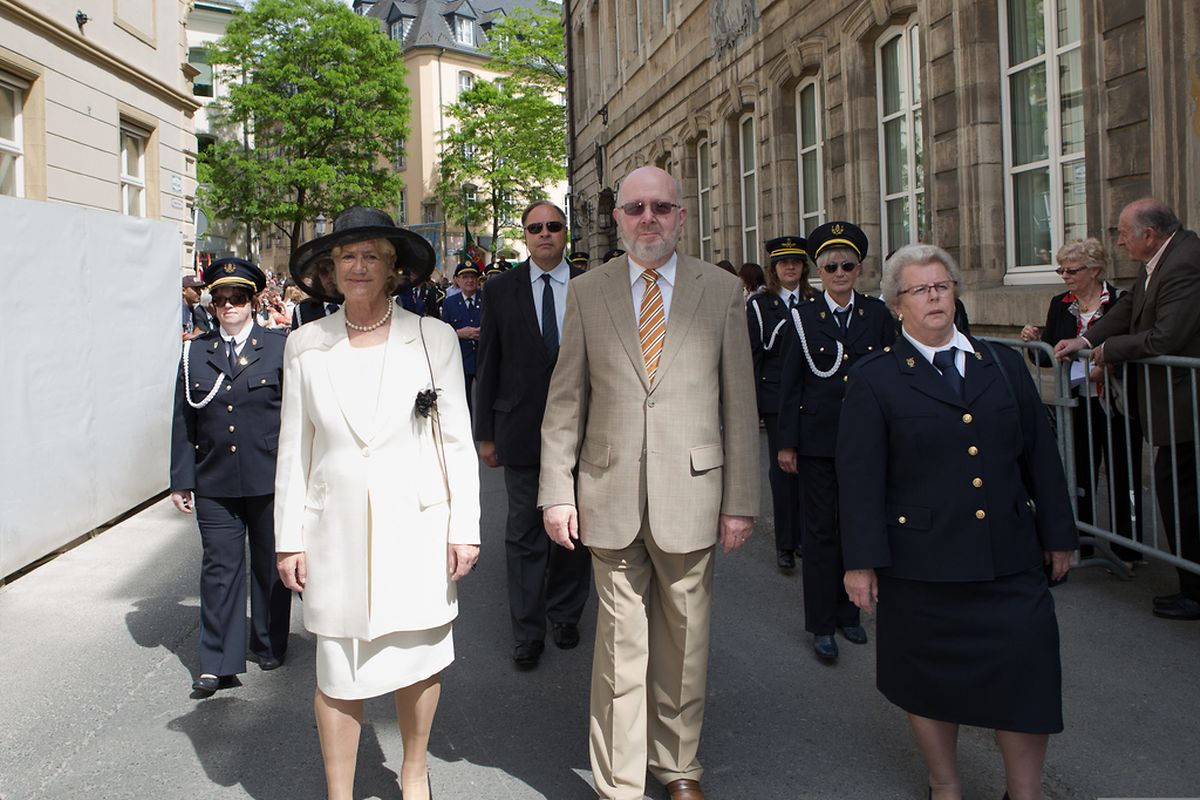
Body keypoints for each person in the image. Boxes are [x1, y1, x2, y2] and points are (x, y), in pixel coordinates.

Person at [540, 166, 759, 800]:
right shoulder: (589, 291)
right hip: (607, 495)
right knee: (619, 650)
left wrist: (741, 501)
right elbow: (565, 403)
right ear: (618, 219)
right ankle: (619, 781)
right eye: (635, 208)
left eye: (661, 207)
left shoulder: (720, 291)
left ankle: (679, 765)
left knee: (686, 646)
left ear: (682, 215)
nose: (648, 219)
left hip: (692, 494)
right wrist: (557, 491)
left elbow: (739, 407)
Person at [839, 243, 1076, 800]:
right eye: (920, 290)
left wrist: (1059, 535)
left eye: (941, 286)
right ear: (897, 304)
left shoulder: (1003, 364)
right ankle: (945, 784)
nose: (934, 297)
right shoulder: (876, 378)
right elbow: (861, 479)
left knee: (1027, 679)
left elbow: (1040, 456)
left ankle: (1025, 791)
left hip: (1009, 558)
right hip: (923, 566)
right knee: (930, 683)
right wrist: (860, 564)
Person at [275, 207, 481, 800]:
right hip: (331, 531)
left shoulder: (431, 336)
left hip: (417, 525)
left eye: (372, 255)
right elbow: (295, 446)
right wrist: (288, 537)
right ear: (331, 270)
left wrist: (463, 527)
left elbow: (454, 440)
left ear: (393, 269)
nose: (359, 266)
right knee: (338, 666)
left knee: (417, 656)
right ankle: (340, 791)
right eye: (347, 256)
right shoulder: (304, 344)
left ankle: (413, 773)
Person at [1055, 198, 1200, 620]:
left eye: (1122, 233)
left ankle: (1194, 588)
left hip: (1186, 403)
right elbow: (1130, 308)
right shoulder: (1162, 257)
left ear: (1148, 235)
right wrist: (1085, 341)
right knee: (1177, 492)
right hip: (1175, 404)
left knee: (1180, 494)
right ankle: (1190, 583)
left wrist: (1105, 350)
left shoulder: (1185, 263)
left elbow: (1166, 338)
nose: (1118, 242)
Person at [474, 200, 592, 669]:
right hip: (519, 430)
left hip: (582, 432)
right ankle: (527, 630)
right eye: (535, 228)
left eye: (554, 227)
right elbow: (489, 362)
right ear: (524, 236)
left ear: (566, 234)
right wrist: (486, 433)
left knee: (572, 531)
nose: (545, 234)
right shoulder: (501, 289)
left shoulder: (590, 286)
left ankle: (565, 613)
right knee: (524, 532)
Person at [169, 257, 292, 696]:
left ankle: (269, 640)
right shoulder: (195, 353)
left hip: (269, 476)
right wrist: (181, 479)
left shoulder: (279, 348)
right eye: (220, 299)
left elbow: (297, 418)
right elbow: (184, 420)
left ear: (253, 301)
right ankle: (217, 662)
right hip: (215, 481)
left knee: (269, 567)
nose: (228, 306)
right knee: (219, 569)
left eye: (237, 298)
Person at [776, 221, 895, 662]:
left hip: (866, 442)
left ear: (859, 269)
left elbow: (891, 377)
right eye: (830, 266)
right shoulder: (803, 318)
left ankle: (851, 614)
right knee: (822, 532)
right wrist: (787, 443)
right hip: (819, 441)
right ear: (818, 273)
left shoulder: (878, 316)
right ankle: (822, 622)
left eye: (847, 265)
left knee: (857, 528)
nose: (839, 272)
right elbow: (790, 385)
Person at [1020, 238, 1143, 564]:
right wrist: (1036, 343)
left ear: (1094, 269)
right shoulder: (1061, 303)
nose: (1064, 275)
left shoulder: (1120, 301)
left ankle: (1128, 548)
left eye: (1071, 269)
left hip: (1115, 403)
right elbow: (1048, 359)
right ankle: (1083, 541)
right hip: (1075, 402)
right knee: (1080, 474)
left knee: (1122, 472)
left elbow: (1135, 347)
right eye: (1060, 268)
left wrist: (1110, 366)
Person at [747, 235, 812, 571]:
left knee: (810, 469)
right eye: (784, 262)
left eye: (796, 262)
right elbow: (754, 357)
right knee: (783, 471)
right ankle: (786, 543)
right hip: (775, 399)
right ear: (773, 268)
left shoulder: (815, 300)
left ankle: (805, 536)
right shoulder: (761, 306)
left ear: (804, 267)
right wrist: (753, 405)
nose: (790, 267)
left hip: (810, 399)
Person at [439, 262, 483, 414]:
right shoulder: (449, 303)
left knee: (486, 401)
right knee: (463, 403)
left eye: (473, 277)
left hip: (484, 358)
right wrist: (458, 333)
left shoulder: (488, 299)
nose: (469, 280)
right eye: (465, 277)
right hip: (462, 359)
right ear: (457, 280)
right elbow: (443, 332)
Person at [290, 262, 341, 329]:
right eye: (324, 271)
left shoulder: (355, 307)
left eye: (334, 270)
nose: (330, 276)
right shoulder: (302, 310)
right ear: (318, 275)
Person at [182, 275, 212, 340]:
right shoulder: (180, 310)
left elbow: (199, 329)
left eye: (200, 289)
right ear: (184, 291)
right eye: (196, 289)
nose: (199, 292)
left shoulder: (193, 309)